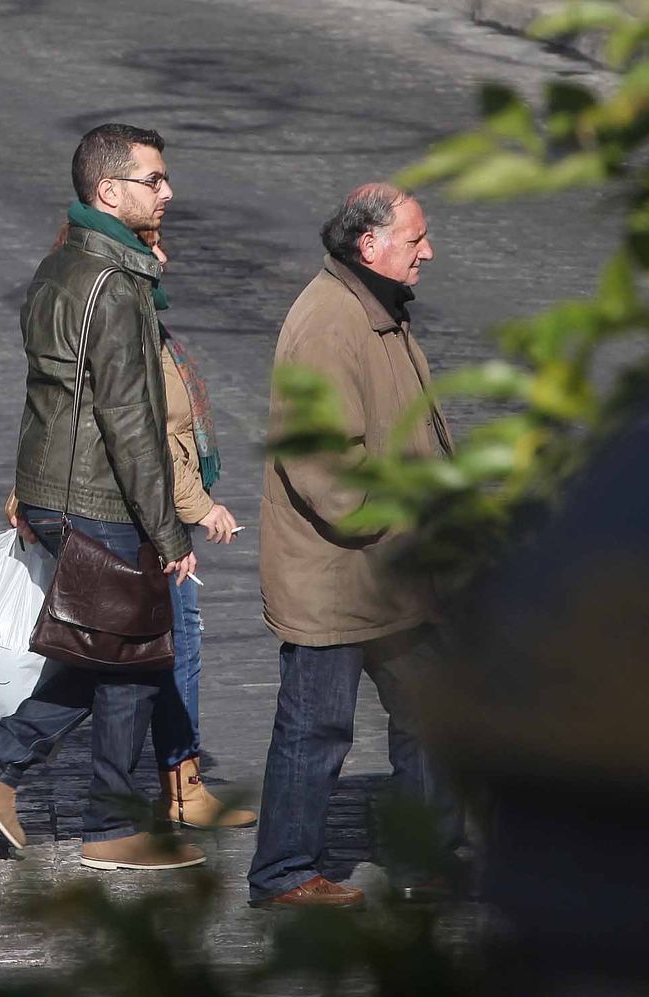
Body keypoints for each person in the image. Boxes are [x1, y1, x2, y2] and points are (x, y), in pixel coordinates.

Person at [0, 124, 201, 872]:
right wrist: (169, 530)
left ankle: (2, 761)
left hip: (53, 488)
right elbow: (130, 422)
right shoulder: (114, 287)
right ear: (108, 191)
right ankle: (103, 820)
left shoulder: (62, 266)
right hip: (101, 497)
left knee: (112, 651)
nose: (167, 192)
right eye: (153, 180)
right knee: (128, 656)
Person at [248, 183, 456, 909]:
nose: (427, 250)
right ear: (370, 245)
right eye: (415, 238)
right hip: (339, 575)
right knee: (316, 730)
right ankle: (282, 873)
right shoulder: (330, 322)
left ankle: (423, 855)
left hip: (393, 573)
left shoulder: (376, 310)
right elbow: (325, 468)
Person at [142, 230, 258, 831]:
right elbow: (148, 435)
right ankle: (2, 750)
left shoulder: (141, 322)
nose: (165, 255)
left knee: (132, 653)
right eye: (153, 244)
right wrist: (197, 506)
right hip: (151, 512)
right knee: (171, 647)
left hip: (155, 506)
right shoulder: (130, 326)